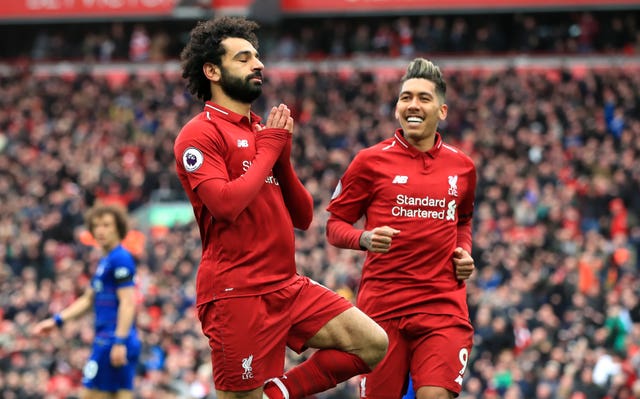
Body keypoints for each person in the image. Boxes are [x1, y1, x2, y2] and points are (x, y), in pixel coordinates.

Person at [173, 16, 388, 399]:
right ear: (212, 71)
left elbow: (304, 217)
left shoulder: (260, 130)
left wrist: (282, 159)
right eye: (243, 58)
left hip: (286, 285)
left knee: (371, 343)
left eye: (257, 56)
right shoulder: (199, 133)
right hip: (236, 292)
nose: (258, 64)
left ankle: (279, 394)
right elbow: (225, 206)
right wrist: (270, 151)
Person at [326, 57, 477, 399]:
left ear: (442, 111)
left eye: (424, 97)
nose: (413, 104)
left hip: (442, 305)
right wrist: (363, 238)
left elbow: (463, 221)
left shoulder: (463, 167)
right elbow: (334, 225)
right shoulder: (369, 161)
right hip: (382, 309)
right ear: (397, 108)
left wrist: (464, 251)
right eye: (406, 97)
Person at [32, 204, 141, 399]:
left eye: (107, 225)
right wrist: (56, 321)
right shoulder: (106, 261)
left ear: (118, 227)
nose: (101, 230)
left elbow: (128, 302)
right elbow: (88, 299)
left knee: (89, 394)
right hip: (112, 339)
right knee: (120, 394)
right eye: (97, 225)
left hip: (112, 339)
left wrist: (119, 342)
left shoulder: (121, 258)